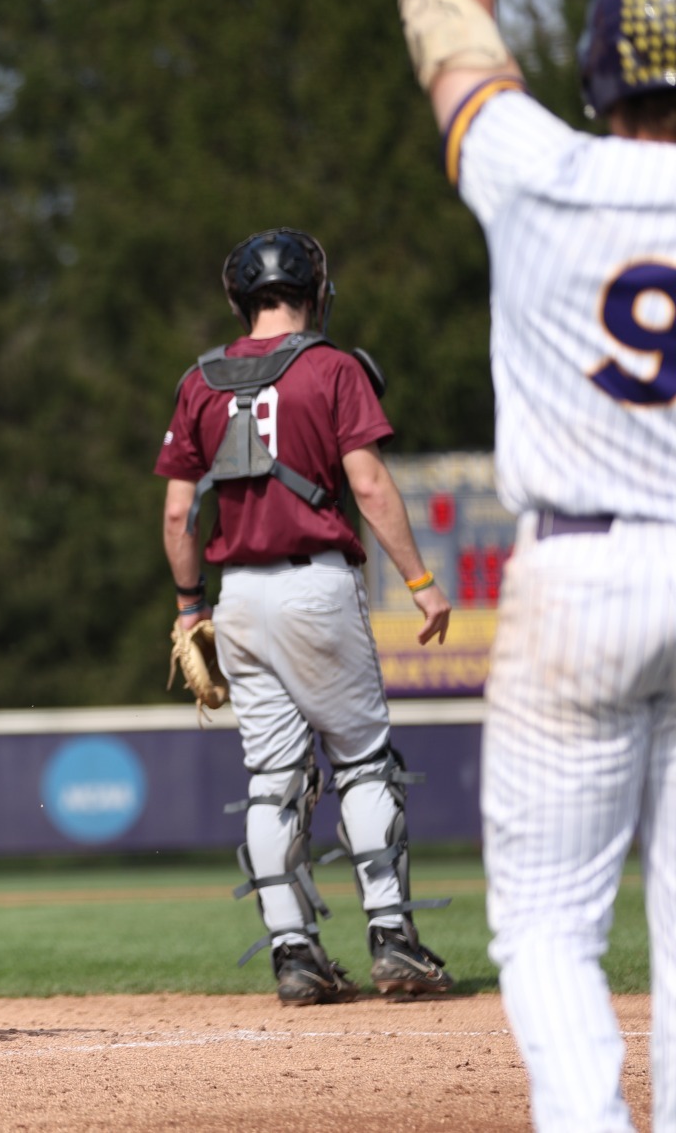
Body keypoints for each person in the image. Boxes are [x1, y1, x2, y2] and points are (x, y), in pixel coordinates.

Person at [400, 0, 676, 1124]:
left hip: (580, 574)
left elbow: (443, 28)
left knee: (552, 934)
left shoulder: (539, 168)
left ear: (596, 68)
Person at [156, 227, 455, 1006]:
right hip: (316, 584)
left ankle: (294, 953)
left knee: (273, 779)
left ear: (239, 298)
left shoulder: (200, 380)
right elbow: (372, 485)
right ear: (316, 291)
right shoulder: (332, 366)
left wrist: (191, 605)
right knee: (361, 760)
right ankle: (393, 939)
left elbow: (178, 513)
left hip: (240, 596)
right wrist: (420, 580)